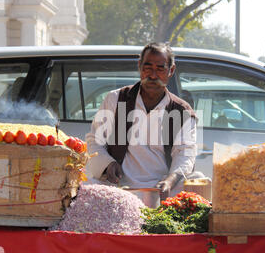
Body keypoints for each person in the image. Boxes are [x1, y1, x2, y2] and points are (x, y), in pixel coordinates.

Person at [85, 42, 204, 199]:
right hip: (119, 186)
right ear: (139, 66)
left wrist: (170, 181)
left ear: (171, 71)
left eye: (160, 69)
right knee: (86, 187)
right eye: (148, 68)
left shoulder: (183, 112)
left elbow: (185, 155)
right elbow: (95, 142)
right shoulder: (115, 99)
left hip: (162, 188)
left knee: (199, 181)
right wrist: (108, 164)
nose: (153, 76)